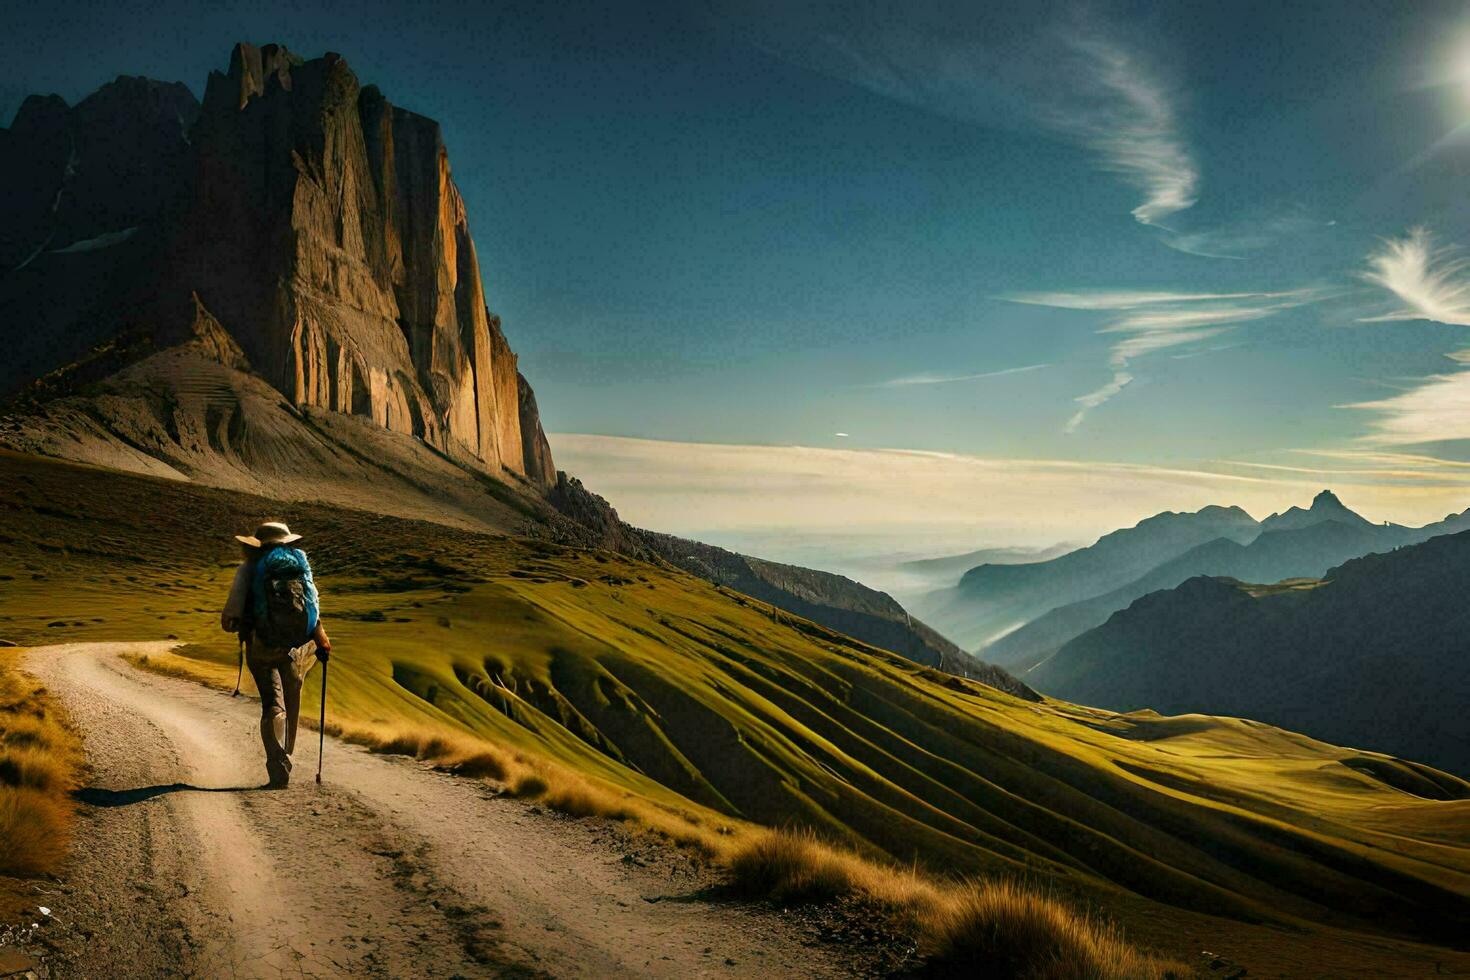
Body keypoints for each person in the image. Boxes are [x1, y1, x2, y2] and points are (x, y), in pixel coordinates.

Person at [221, 521, 331, 787]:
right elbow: (313, 607)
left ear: (257, 544)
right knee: (293, 697)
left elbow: (229, 619)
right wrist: (321, 640)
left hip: (263, 646)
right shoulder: (299, 565)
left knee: (272, 702)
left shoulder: (249, 569)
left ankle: (278, 764)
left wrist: (239, 623)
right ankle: (289, 749)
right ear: (287, 542)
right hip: (298, 645)